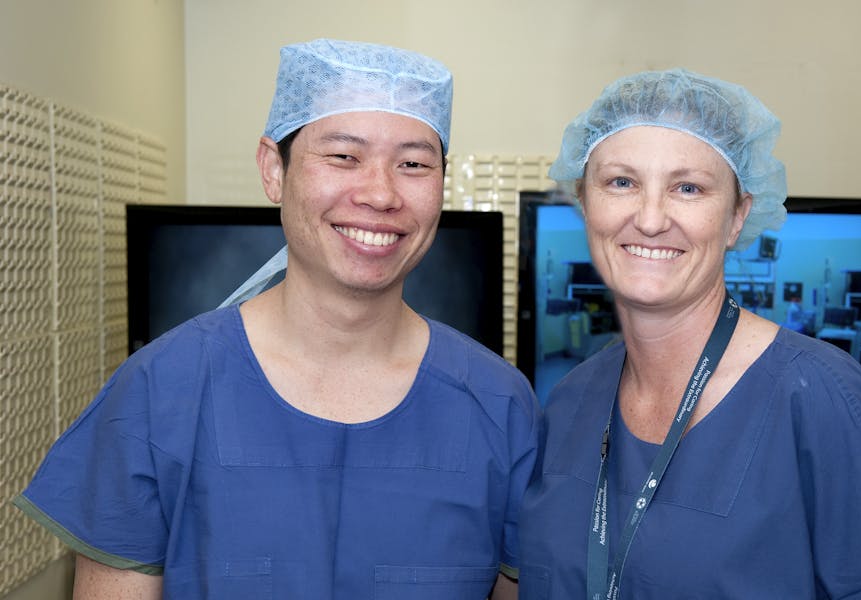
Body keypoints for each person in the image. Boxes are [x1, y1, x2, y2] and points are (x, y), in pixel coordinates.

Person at [13, 39, 540, 599]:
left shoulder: (499, 405)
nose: (381, 193)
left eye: (413, 164)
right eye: (343, 155)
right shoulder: (159, 394)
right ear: (273, 169)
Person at [516, 69, 861, 599]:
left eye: (688, 188)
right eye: (621, 182)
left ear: (737, 216)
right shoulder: (568, 403)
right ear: (586, 203)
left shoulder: (819, 395)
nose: (651, 218)